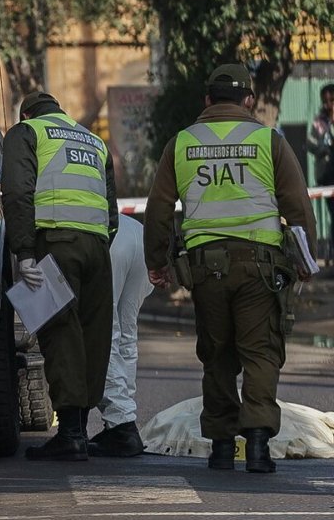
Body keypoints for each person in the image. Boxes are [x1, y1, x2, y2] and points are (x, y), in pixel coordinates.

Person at [144, 63, 317, 473]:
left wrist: (157, 262)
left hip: (205, 269)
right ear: (249, 100)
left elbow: (158, 209)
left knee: (217, 352)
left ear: (208, 100)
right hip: (260, 267)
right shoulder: (267, 140)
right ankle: (256, 445)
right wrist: (305, 260)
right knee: (261, 351)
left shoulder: (182, 143)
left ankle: (222, 446)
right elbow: (297, 205)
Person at [2, 91, 118, 461]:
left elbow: (17, 193)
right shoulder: (93, 140)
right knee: (93, 334)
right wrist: (100, 241)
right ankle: (80, 427)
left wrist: (24, 251)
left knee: (60, 332)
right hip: (97, 246)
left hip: (54, 245)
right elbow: (111, 210)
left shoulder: (27, 132)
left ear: (26, 113)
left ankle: (69, 434)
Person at [88, 213, 154, 457]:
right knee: (126, 335)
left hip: (108, 236)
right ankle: (122, 416)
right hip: (137, 234)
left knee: (104, 334)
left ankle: (121, 423)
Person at [305, 83, 334, 257]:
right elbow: (310, 143)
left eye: (332, 100)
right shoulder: (319, 121)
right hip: (328, 176)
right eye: (325, 101)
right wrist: (325, 147)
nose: (328, 104)